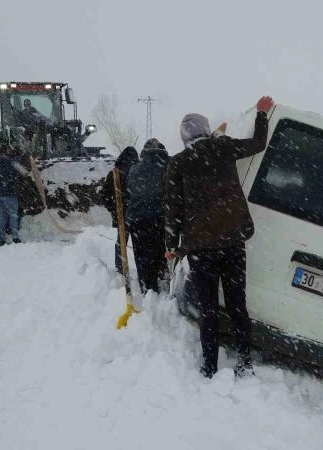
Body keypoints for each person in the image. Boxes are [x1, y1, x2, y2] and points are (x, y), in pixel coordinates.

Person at [164, 95, 274, 378]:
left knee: (208, 309)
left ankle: (209, 367)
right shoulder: (223, 148)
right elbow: (258, 144)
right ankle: (245, 361)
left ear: (184, 137)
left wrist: (171, 245)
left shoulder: (179, 163)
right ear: (206, 129)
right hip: (232, 241)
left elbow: (174, 209)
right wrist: (261, 114)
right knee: (238, 305)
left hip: (201, 248)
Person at [126, 138, 170, 294]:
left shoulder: (134, 169)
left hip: (138, 221)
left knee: (142, 256)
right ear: (163, 151)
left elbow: (131, 190)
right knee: (160, 251)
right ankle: (161, 279)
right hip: (160, 219)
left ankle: (147, 287)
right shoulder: (168, 166)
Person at [102, 146, 139, 273]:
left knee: (121, 241)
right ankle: (143, 267)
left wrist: (113, 209)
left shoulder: (114, 173)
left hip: (121, 214)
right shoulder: (137, 171)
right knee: (140, 243)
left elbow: (105, 196)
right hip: (137, 214)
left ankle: (120, 267)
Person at [0, 147, 26, 246]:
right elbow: (24, 172)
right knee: (13, 216)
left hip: (1, 194)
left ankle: (2, 238)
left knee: (2, 216)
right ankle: (15, 237)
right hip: (11, 194)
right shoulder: (12, 162)